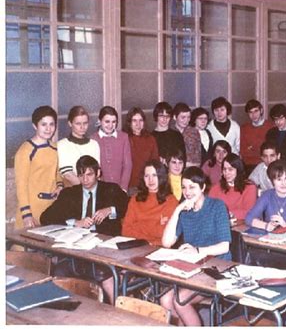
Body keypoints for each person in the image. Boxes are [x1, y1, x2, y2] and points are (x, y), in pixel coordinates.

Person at [40, 155, 129, 302]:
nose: (85, 180)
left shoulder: (111, 189)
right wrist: (74, 222)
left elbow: (128, 205)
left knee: (102, 272)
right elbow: (46, 217)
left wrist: (110, 210)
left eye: (89, 175)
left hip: (102, 250)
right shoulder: (69, 193)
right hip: (76, 250)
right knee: (58, 271)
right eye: (81, 175)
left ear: (98, 173)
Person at [160, 166, 231, 326]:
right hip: (193, 268)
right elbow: (166, 242)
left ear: (203, 187)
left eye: (192, 187)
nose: (187, 192)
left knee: (180, 301)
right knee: (165, 300)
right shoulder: (184, 210)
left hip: (216, 268)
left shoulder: (217, 206)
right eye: (184, 187)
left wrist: (198, 250)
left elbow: (224, 247)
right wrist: (177, 210)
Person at [14, 106, 63, 229]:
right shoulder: (25, 150)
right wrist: (26, 214)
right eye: (44, 124)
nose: (48, 129)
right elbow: (21, 185)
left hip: (51, 208)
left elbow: (58, 174)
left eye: (52, 124)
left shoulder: (55, 148)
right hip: (31, 209)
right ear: (35, 126)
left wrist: (60, 186)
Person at [122, 160, 179, 245]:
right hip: (136, 246)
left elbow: (164, 233)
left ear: (161, 177)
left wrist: (138, 225)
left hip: (159, 249)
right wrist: (155, 225)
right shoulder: (135, 199)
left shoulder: (171, 201)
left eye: (154, 175)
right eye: (147, 176)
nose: (150, 180)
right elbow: (125, 230)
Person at [245, 160, 286, 233]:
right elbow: (249, 218)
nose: (283, 183)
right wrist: (266, 226)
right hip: (271, 239)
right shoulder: (267, 195)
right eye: (279, 179)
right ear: (272, 181)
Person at [91, 106, 132, 191]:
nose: (110, 125)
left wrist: (123, 188)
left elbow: (127, 165)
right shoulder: (93, 139)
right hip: (100, 189)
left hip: (119, 188)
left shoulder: (123, 137)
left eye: (114, 122)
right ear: (99, 121)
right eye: (107, 121)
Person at [57, 105, 100, 186]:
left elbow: (97, 172)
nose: (82, 127)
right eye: (78, 124)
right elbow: (68, 175)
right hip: (73, 189)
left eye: (85, 123)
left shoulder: (94, 144)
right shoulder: (62, 145)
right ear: (70, 123)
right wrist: (85, 190)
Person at [209, 153, 257, 222]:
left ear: (238, 170)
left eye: (230, 169)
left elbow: (249, 212)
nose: (226, 173)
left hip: (242, 224)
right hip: (220, 223)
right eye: (224, 169)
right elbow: (209, 209)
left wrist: (227, 214)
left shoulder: (250, 187)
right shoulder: (216, 188)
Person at [123, 107, 159, 195]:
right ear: (129, 123)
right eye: (134, 121)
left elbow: (155, 162)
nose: (138, 124)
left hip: (147, 184)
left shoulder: (150, 139)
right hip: (130, 185)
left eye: (141, 120)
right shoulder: (124, 138)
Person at [240, 99, 274, 174]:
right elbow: (243, 152)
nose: (254, 115)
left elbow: (272, 150)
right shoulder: (244, 128)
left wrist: (251, 147)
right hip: (250, 166)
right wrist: (260, 148)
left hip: (268, 164)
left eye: (256, 111)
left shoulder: (271, 126)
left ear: (261, 110)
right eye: (250, 112)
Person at [173, 102, 201, 167]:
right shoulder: (169, 132)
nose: (186, 120)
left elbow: (198, 159)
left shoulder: (194, 132)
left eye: (188, 117)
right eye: (183, 117)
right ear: (174, 117)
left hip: (191, 170)